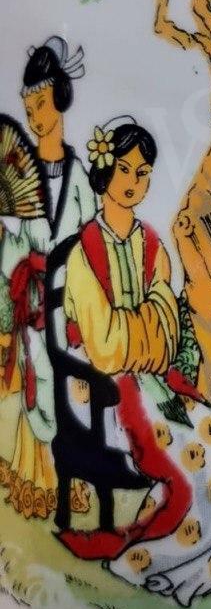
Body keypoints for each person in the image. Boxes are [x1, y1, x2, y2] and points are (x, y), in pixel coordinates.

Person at [61, 116, 211, 606]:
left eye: (143, 173)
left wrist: (137, 328)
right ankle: (172, 558)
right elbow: (104, 344)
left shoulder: (150, 244)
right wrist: (141, 327)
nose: (134, 182)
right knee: (187, 457)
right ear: (105, 172)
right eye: (125, 170)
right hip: (97, 386)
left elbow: (168, 328)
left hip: (151, 378)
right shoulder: (86, 253)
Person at [0, 38, 96, 518]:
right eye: (28, 108)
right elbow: (13, 254)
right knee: (39, 381)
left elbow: (92, 246)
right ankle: (37, 480)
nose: (34, 117)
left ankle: (73, 481)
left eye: (40, 104)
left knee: (71, 389)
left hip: (71, 307)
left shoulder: (80, 177)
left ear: (59, 97)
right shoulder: (20, 173)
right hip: (34, 306)